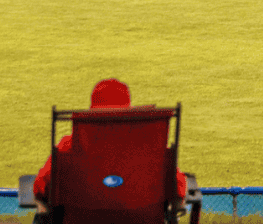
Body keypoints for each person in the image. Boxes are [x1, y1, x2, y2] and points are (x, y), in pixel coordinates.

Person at [33, 79, 188, 209]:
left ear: (92, 112)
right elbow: (179, 189)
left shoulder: (69, 145)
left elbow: (40, 187)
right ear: (129, 113)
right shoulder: (149, 149)